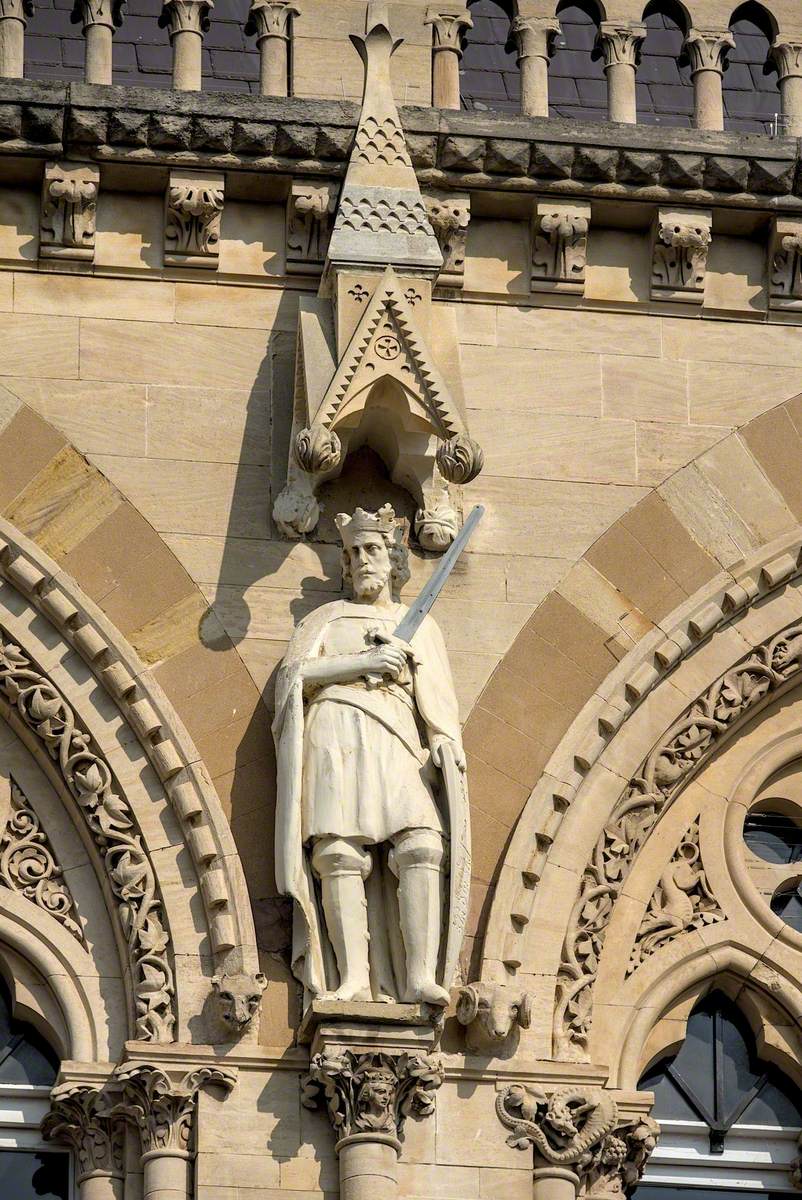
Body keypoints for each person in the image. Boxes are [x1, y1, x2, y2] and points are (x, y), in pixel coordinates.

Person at [273, 504, 466, 1006]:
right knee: (337, 853)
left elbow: (439, 699)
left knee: (422, 845)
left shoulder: (418, 624)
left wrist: (445, 742)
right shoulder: (325, 619)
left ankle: (420, 975)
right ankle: (354, 977)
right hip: (334, 734)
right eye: (354, 551)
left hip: (397, 734)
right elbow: (292, 679)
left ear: (394, 559)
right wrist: (364, 661)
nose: (362, 559)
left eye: (373, 549)